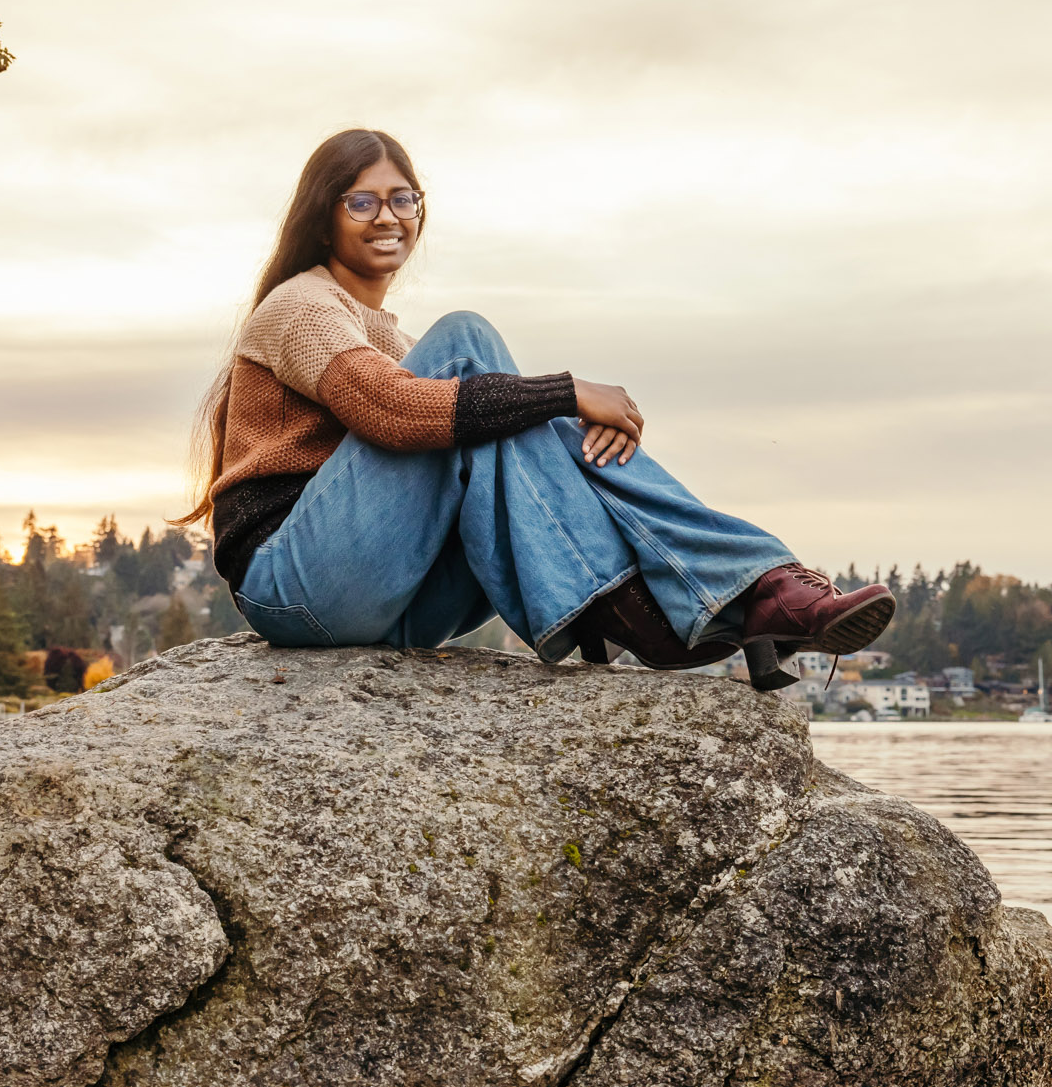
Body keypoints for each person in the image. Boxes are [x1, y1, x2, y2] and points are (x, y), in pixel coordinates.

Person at [177, 128, 893, 690]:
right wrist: (568, 391)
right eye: (362, 201)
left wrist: (552, 417)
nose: (388, 217)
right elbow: (389, 411)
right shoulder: (299, 307)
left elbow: (459, 418)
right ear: (322, 214)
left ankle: (751, 592)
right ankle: (694, 595)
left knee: (516, 421)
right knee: (474, 349)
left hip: (390, 605)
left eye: (404, 199)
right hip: (294, 587)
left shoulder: (395, 337)